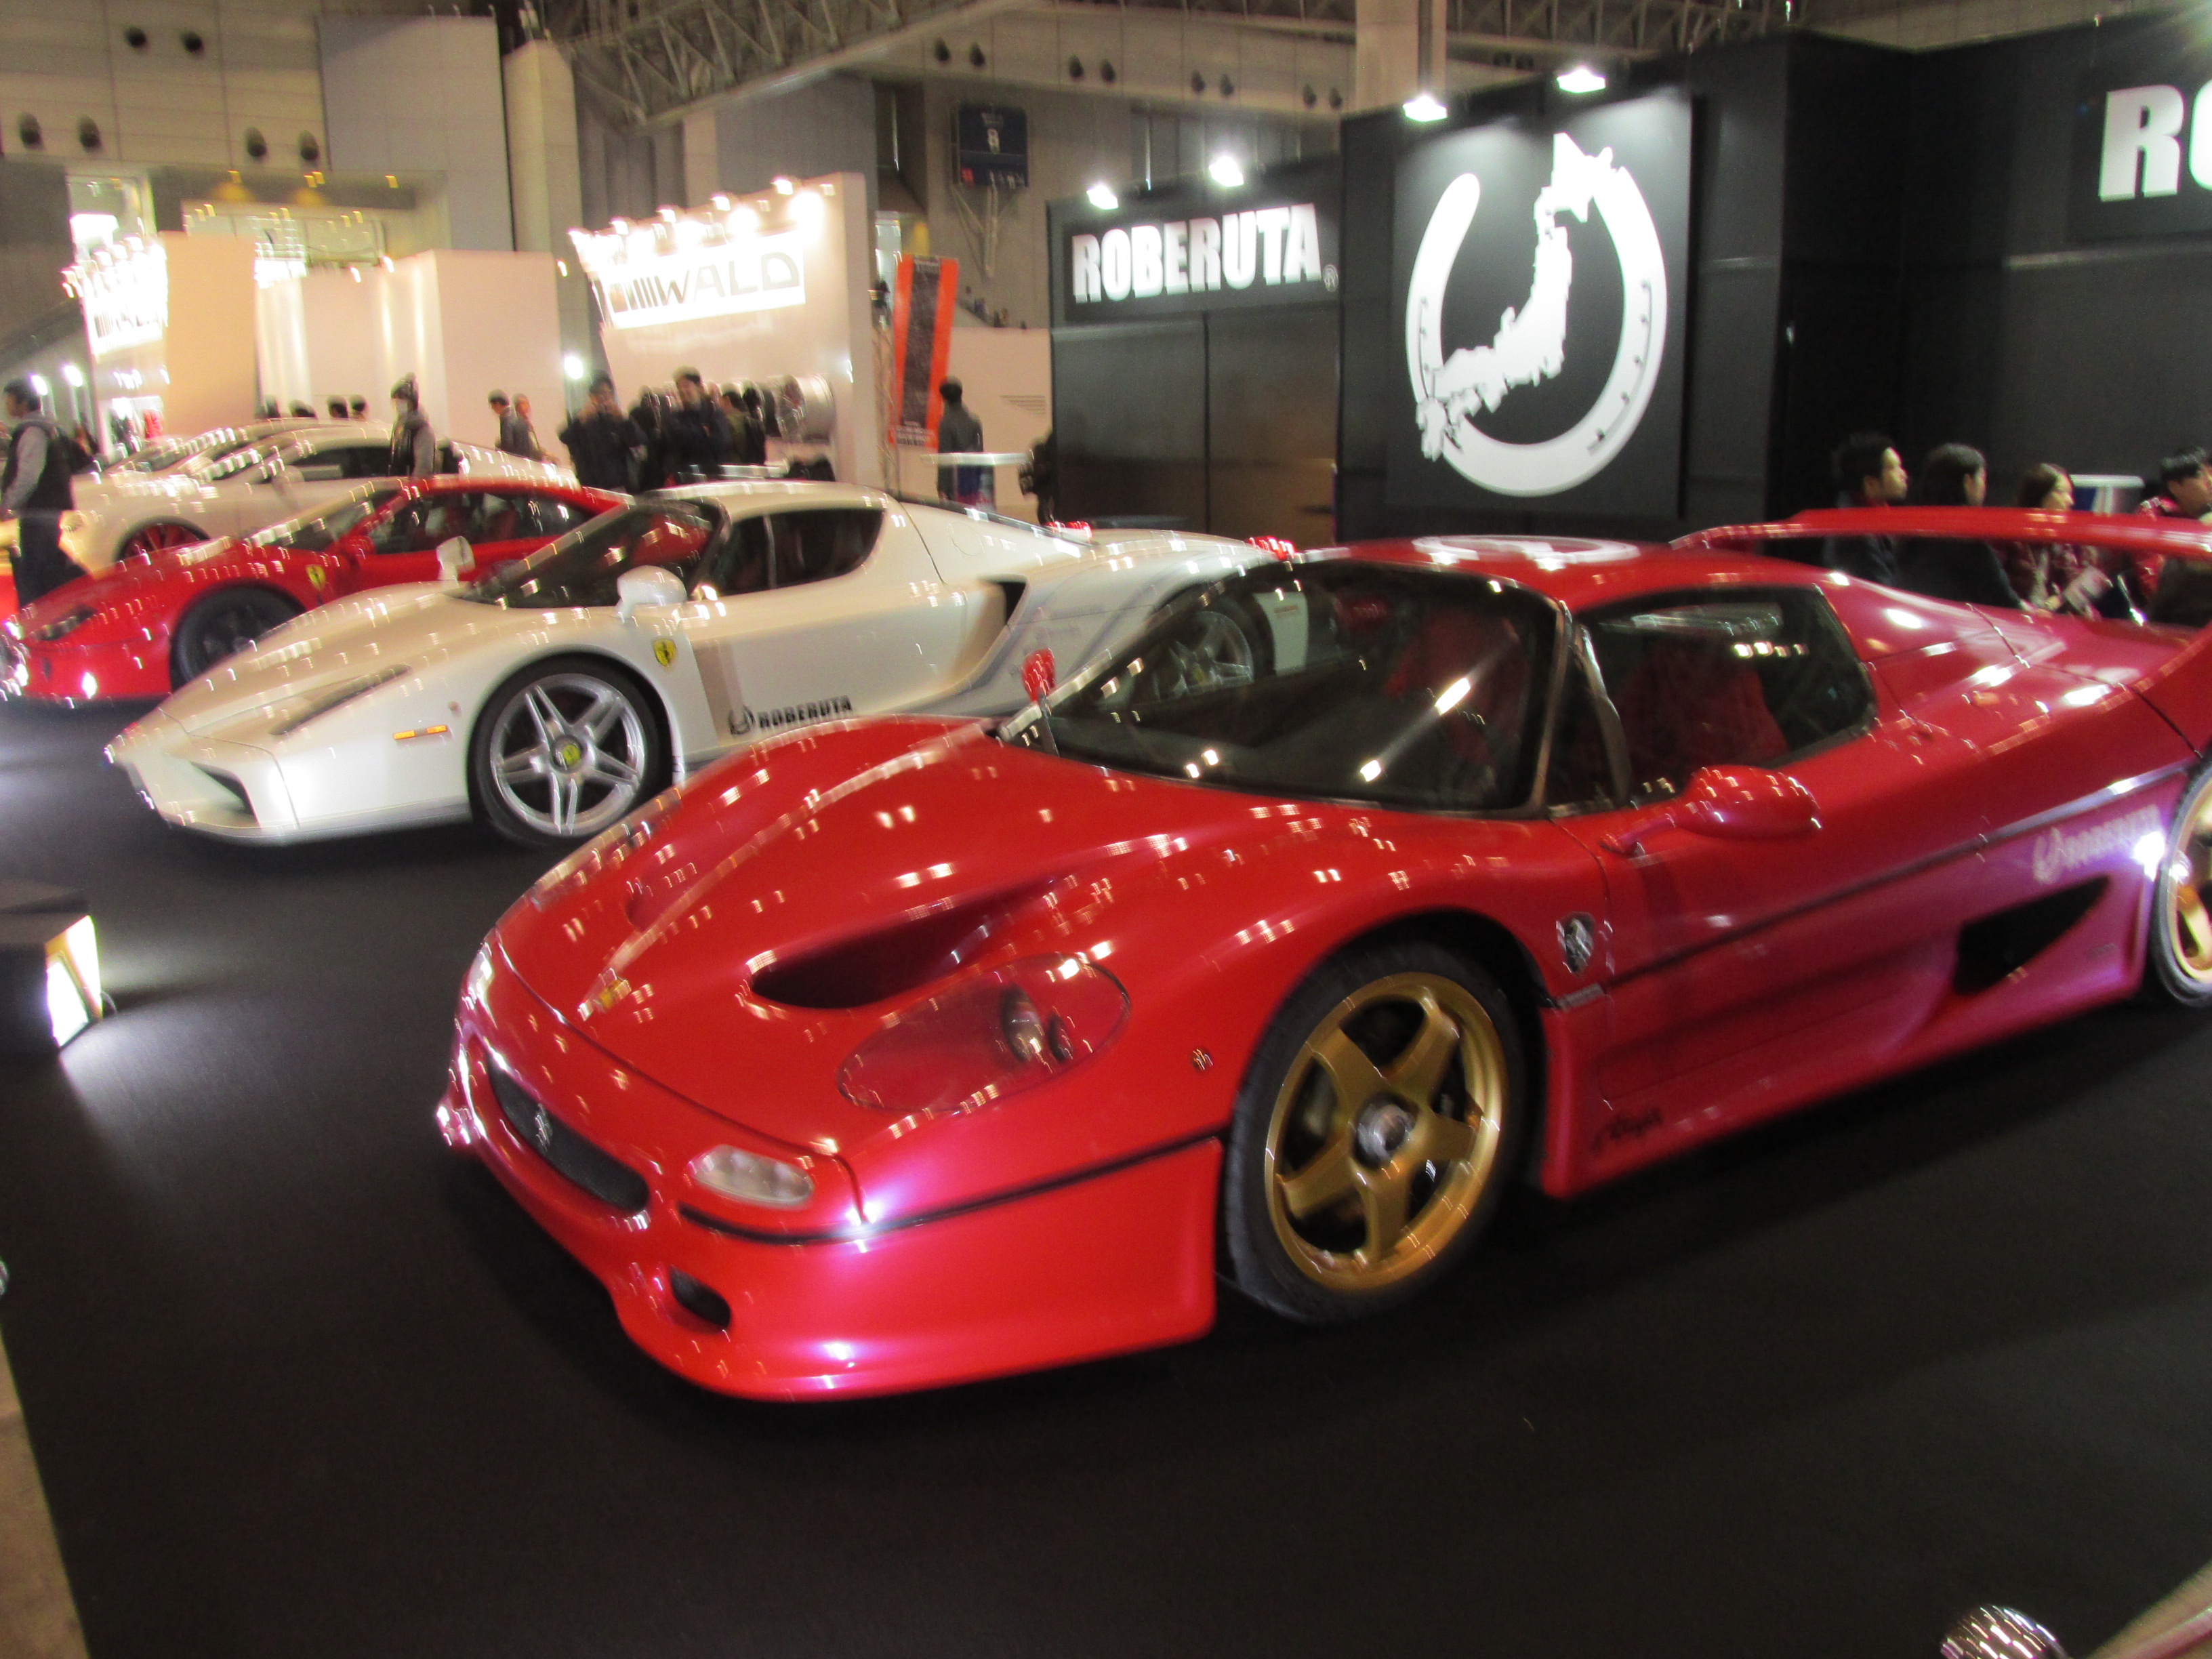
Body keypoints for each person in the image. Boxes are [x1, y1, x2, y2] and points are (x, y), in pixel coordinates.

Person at [1892, 443, 2020, 608]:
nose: (1985, 487)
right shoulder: (1966, 541)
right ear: (1968, 482)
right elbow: (2005, 601)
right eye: (1982, 478)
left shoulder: (1909, 533)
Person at [2, 379, 86, 605]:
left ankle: (47, 615)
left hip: (39, 511)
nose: (6, 405)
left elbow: (28, 476)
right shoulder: (46, 428)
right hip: (46, 510)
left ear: (22, 402)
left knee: (35, 573)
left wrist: (7, 503)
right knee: (46, 566)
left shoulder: (32, 432)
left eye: (9, 400)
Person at [1820, 431, 1907, 582]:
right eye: (1893, 468)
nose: (1903, 474)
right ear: (1870, 484)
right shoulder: (1855, 537)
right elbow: (1882, 588)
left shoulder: (1875, 519)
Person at [558, 374, 642, 493]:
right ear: (591, 397)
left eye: (606, 394)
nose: (602, 398)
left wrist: (624, 421)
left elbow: (638, 441)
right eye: (597, 394)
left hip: (617, 485)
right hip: (590, 487)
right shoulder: (584, 419)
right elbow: (564, 437)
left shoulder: (618, 418)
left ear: (612, 395)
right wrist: (581, 420)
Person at [660, 368, 734, 480]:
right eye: (679, 387)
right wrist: (703, 432)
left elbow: (723, 441)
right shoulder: (676, 416)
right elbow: (677, 442)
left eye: (687, 386)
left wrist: (694, 436)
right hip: (686, 476)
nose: (683, 391)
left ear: (699, 387)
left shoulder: (713, 412)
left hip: (712, 474)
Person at [936, 378, 985, 505]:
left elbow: (945, 457)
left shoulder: (945, 423)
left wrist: (942, 487)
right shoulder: (975, 420)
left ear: (944, 398)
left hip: (954, 482)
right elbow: (980, 451)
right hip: (973, 480)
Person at [387, 375, 436, 477]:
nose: (398, 402)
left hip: (414, 485)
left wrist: (413, 484)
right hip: (399, 484)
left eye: (402, 398)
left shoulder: (422, 430)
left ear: (412, 402)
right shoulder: (399, 426)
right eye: (395, 399)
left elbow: (424, 468)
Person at [720, 388, 766, 467]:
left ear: (727, 400)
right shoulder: (753, 421)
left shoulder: (729, 422)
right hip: (754, 466)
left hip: (735, 467)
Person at [489, 391, 534, 459]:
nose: (493, 409)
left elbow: (507, 444)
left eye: (492, 406)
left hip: (515, 459)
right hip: (525, 459)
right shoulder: (518, 416)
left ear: (497, 404)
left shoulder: (507, 418)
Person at [512, 394, 545, 460]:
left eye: (527, 404)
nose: (526, 406)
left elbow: (534, 444)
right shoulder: (517, 424)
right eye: (523, 404)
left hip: (536, 460)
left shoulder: (527, 422)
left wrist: (544, 453)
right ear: (517, 407)